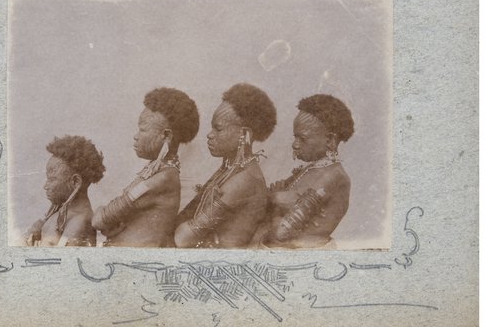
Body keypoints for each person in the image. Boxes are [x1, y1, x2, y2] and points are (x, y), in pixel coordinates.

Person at [91, 87, 200, 247]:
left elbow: (99, 220)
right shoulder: (158, 172)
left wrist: (105, 216)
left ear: (166, 136)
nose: (136, 136)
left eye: (143, 129)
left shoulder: (162, 179)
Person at [174, 83, 277, 248]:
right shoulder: (231, 169)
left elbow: (183, 238)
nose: (209, 135)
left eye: (218, 129)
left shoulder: (244, 180)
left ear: (245, 134)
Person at [251, 94, 354, 249]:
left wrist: (274, 200)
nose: (295, 145)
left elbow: (280, 234)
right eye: (295, 137)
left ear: (330, 140)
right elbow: (274, 198)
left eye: (302, 138)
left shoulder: (334, 176)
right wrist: (277, 200)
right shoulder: (309, 169)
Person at [24, 135, 105, 247]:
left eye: (52, 179)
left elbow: (63, 262)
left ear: (76, 182)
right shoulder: (64, 214)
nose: (45, 186)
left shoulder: (79, 222)